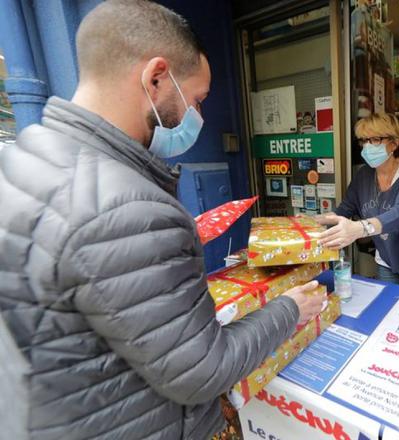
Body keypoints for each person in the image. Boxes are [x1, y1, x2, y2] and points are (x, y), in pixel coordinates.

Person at [0, 1, 325, 439]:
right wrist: (291, 308)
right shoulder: (129, 207)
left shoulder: (22, 158)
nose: (199, 117)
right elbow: (202, 371)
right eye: (197, 99)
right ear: (156, 78)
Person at [317, 113, 399, 293]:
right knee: (389, 304)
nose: (368, 146)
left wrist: (361, 228)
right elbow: (345, 209)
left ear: (394, 143)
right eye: (364, 140)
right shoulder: (363, 175)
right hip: (388, 256)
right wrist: (315, 220)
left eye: (376, 139)